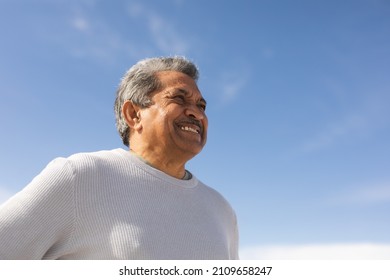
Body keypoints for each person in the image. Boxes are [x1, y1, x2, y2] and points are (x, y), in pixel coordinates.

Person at [0, 56, 239, 259]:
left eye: (202, 105)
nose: (196, 113)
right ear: (133, 114)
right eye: (179, 99)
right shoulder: (80, 176)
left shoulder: (221, 209)